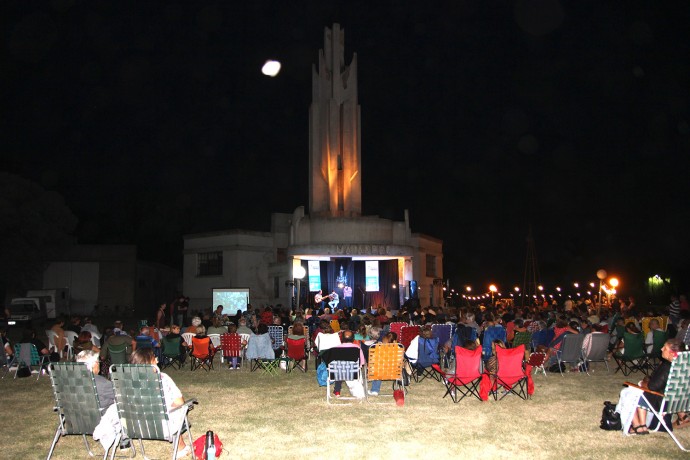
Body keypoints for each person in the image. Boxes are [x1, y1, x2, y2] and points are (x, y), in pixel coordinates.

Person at [130, 348, 192, 456]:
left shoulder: (126, 381)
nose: (157, 361)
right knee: (179, 408)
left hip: (135, 424)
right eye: (154, 358)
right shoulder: (162, 378)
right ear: (148, 363)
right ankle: (181, 448)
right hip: (161, 424)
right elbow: (179, 402)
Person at [623, 338, 683, 434]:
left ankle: (637, 425)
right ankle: (642, 424)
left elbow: (652, 387)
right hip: (677, 402)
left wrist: (641, 384)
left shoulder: (667, 366)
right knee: (638, 390)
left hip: (662, 402)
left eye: (665, 348)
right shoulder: (683, 366)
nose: (661, 349)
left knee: (627, 392)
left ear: (672, 353)